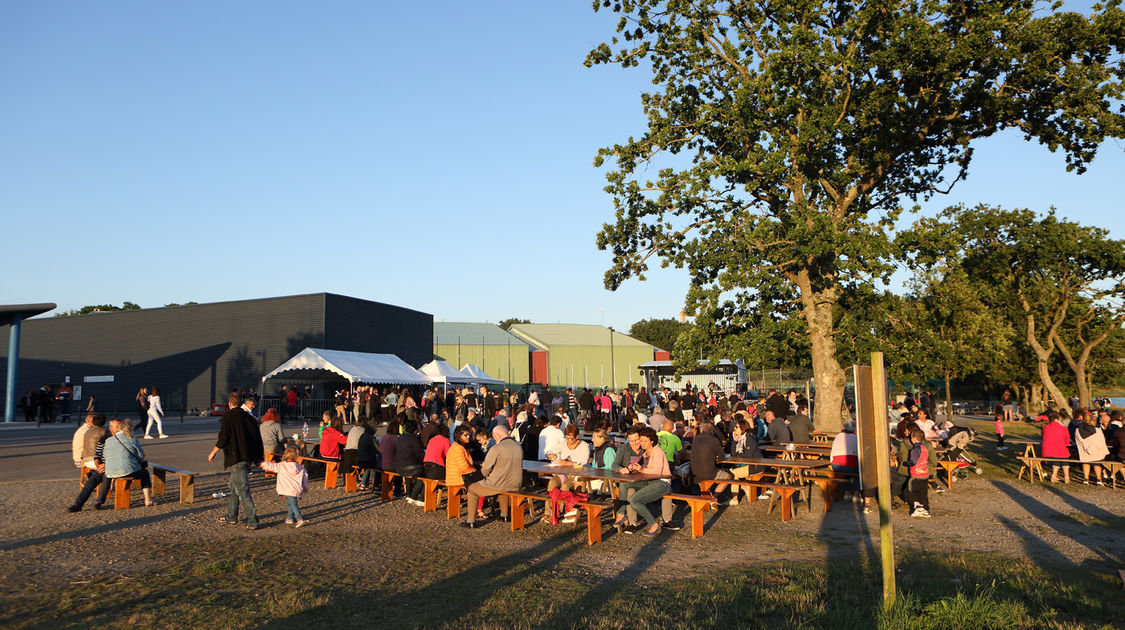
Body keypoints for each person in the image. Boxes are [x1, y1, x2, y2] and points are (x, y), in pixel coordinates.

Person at [208, 391, 264, 529]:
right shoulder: (249, 418)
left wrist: (213, 452)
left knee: (243, 491)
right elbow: (257, 439)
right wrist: (258, 458)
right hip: (246, 457)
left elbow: (223, 437)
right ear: (242, 404)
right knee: (234, 488)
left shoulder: (228, 418)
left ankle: (252, 521)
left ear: (229, 404)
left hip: (235, 458)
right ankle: (231, 516)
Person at [612, 426, 673, 536]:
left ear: (652, 441)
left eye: (645, 441)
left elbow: (657, 472)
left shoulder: (657, 451)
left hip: (662, 482)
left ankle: (654, 525)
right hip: (651, 482)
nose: (642, 443)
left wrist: (642, 469)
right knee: (624, 484)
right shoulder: (645, 454)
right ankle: (621, 514)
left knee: (634, 500)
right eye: (641, 441)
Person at [462, 425, 523, 528]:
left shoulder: (496, 448)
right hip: (516, 484)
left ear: (498, 436)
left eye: (494, 437)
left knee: (472, 489)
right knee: (504, 489)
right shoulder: (518, 446)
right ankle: (504, 515)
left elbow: (485, 471)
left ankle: (471, 521)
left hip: (498, 484)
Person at [104, 417, 156, 507]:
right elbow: (141, 455)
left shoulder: (109, 440)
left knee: (122, 467)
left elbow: (105, 455)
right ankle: (147, 499)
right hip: (127, 470)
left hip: (110, 471)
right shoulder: (132, 439)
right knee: (145, 474)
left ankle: (109, 489)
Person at [67, 413, 112, 512]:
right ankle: (98, 502)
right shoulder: (105, 432)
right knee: (105, 474)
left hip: (86, 459)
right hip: (96, 461)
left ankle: (78, 503)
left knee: (96, 478)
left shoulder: (87, 431)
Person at [260, 446, 309, 526]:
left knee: (293, 503)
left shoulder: (281, 465)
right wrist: (305, 487)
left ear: (285, 455)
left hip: (287, 488)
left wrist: (262, 464)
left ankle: (299, 518)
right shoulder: (301, 468)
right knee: (290, 502)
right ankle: (289, 517)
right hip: (296, 489)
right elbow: (305, 478)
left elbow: (271, 466)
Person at [396, 420, 426, 506]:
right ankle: (417, 496)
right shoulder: (414, 439)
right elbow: (420, 454)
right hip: (411, 468)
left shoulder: (400, 438)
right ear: (415, 430)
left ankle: (410, 494)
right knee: (425, 474)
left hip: (399, 466)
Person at [1074, 412, 1109, 485]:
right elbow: (1102, 441)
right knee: (1097, 464)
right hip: (1097, 451)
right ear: (1092, 421)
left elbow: (1078, 441)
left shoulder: (1078, 430)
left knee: (1086, 463)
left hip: (1084, 451)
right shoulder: (1098, 430)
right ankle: (1099, 479)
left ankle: (1086, 479)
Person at [906, 429, 932, 518]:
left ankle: (918, 507)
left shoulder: (915, 449)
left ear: (914, 438)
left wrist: (907, 463)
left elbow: (913, 461)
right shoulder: (924, 448)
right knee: (923, 493)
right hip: (924, 473)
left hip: (916, 474)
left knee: (912, 492)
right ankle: (926, 509)